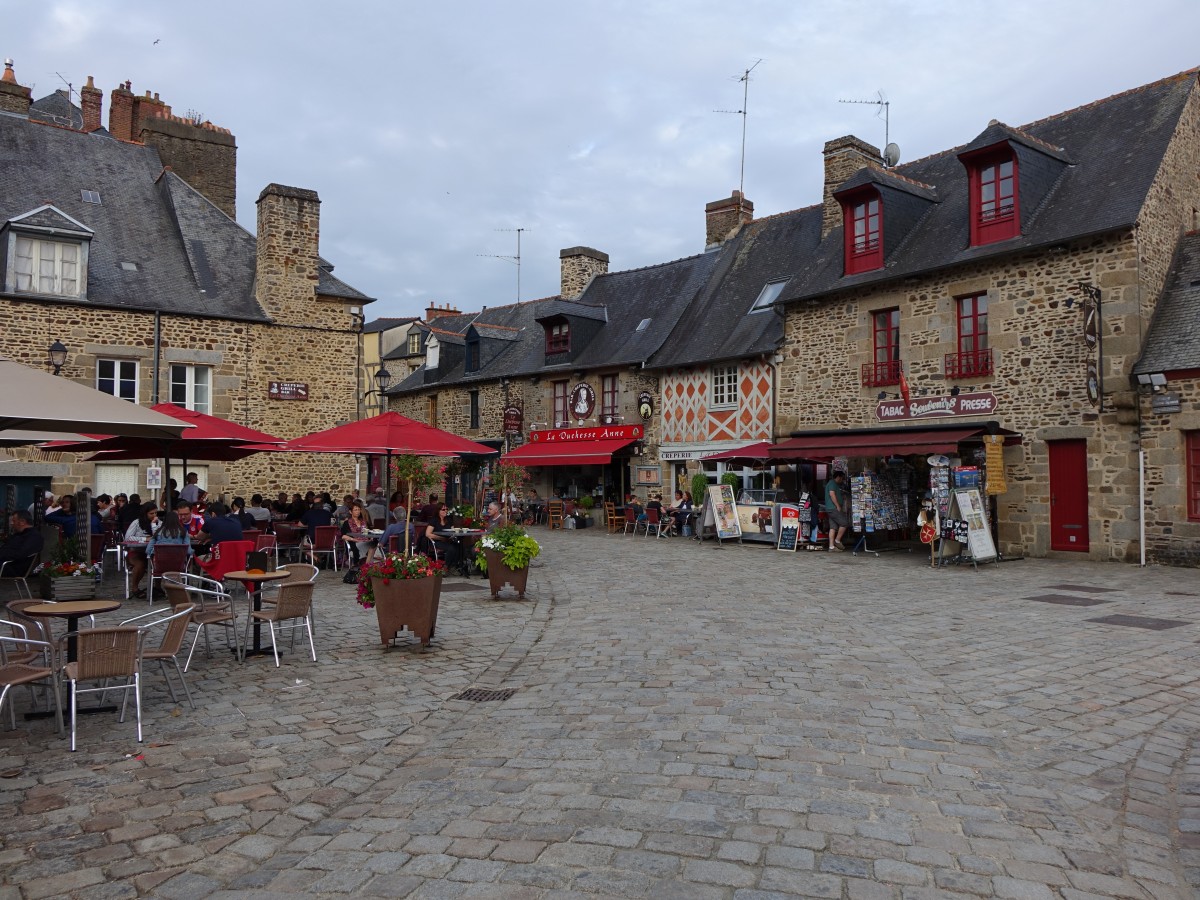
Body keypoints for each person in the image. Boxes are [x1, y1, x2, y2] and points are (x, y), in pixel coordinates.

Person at [124, 502, 160, 598]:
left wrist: (154, 525)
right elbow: (127, 538)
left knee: (159, 563)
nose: (154, 515)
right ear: (145, 513)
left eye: (156, 513)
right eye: (151, 513)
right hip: (136, 552)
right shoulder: (136, 523)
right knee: (140, 564)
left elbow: (159, 536)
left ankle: (158, 587)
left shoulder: (158, 523)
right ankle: (135, 588)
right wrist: (144, 539)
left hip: (153, 552)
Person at [420, 503, 461, 568]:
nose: (445, 511)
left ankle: (456, 566)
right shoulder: (434, 520)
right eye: (443, 509)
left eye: (446, 509)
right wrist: (441, 538)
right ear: (438, 511)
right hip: (436, 542)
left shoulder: (449, 520)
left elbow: (452, 530)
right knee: (451, 548)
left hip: (447, 540)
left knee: (459, 546)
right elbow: (427, 534)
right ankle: (446, 567)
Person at [825, 471, 849, 551]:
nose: (842, 480)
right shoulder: (832, 483)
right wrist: (838, 505)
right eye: (842, 478)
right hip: (833, 508)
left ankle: (831, 547)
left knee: (833, 527)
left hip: (830, 509)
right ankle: (837, 541)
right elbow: (832, 494)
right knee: (844, 523)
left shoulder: (833, 484)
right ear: (838, 477)